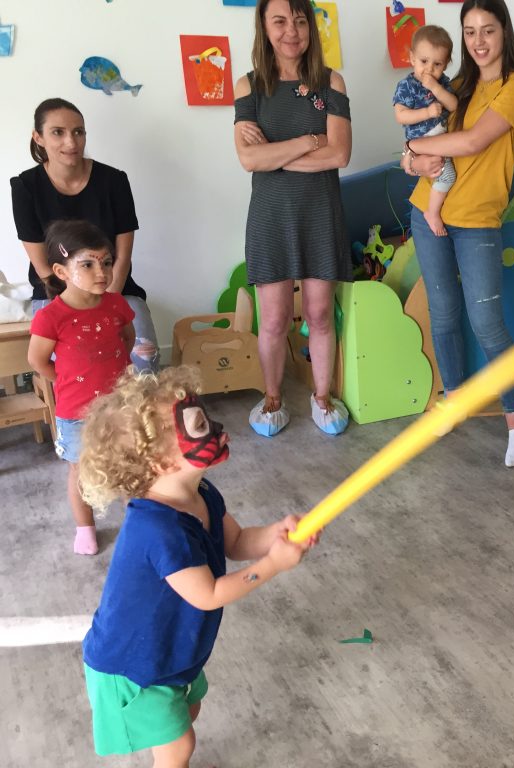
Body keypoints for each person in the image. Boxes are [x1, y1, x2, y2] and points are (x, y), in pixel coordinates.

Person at [77, 366, 314, 765]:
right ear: (161, 464)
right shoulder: (158, 529)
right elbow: (208, 594)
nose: (216, 427)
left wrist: (276, 535)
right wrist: (274, 565)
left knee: (189, 711)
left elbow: (236, 541)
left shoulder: (200, 491)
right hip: (134, 666)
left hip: (172, 651)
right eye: (199, 424)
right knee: (180, 745)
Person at [401, 0, 514, 468]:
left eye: (488, 30)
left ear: (504, 34)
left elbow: (475, 140)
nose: (478, 41)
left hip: (478, 220)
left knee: (487, 324)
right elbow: (412, 149)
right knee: (443, 315)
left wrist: (415, 146)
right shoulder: (453, 85)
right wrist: (411, 157)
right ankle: (454, 401)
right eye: (470, 31)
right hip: (428, 210)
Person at [233, 0, 353, 437]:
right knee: (274, 318)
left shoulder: (331, 82)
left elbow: (339, 153)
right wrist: (308, 140)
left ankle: (323, 396)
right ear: (264, 27)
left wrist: (275, 154)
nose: (291, 30)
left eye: (300, 20)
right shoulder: (248, 87)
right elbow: (248, 159)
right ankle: (272, 398)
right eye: (280, 20)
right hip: (270, 217)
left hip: (321, 213)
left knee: (320, 314)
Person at [11, 97, 160, 372]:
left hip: (115, 288)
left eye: (78, 132)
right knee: (76, 369)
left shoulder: (114, 181)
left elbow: (122, 257)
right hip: (57, 294)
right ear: (38, 138)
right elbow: (43, 267)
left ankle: (144, 416)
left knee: (144, 360)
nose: (71, 142)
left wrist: (107, 303)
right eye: (58, 132)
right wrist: (79, 307)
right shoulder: (25, 187)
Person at [27, 220, 135, 556]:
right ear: (61, 270)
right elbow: (37, 360)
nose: (101, 271)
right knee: (80, 470)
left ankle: (138, 522)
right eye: (87, 264)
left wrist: (120, 369)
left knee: (128, 463)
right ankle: (85, 527)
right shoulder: (51, 317)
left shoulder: (116, 304)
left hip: (120, 405)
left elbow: (127, 338)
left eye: (105, 262)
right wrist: (66, 380)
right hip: (76, 413)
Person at [393, 25, 459, 237]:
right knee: (447, 176)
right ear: (412, 58)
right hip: (423, 142)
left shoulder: (443, 83)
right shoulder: (407, 86)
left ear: (446, 65)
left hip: (442, 141)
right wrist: (427, 112)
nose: (429, 69)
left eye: (437, 64)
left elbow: (453, 105)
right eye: (424, 61)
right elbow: (401, 116)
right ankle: (432, 212)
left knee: (443, 173)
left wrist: (436, 88)